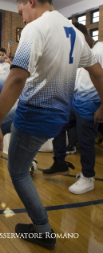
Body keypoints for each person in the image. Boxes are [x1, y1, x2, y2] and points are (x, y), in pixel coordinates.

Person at [0, 0, 103, 250]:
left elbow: (16, 78)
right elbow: (97, 73)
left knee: (18, 172)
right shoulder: (72, 30)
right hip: (60, 115)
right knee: (11, 125)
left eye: (21, 10)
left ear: (30, 1)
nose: (23, 17)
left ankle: (43, 230)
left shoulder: (35, 28)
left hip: (36, 112)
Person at [43, 22, 103, 194]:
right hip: (75, 102)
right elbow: (79, 79)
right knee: (57, 126)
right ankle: (60, 162)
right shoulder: (80, 53)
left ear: (83, 35)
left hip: (90, 106)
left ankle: (88, 177)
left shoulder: (100, 50)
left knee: (86, 143)